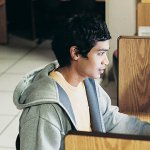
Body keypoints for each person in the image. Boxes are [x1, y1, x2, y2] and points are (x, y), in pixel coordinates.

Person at [13, 14, 150, 150]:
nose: (106, 61)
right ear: (75, 53)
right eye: (100, 53)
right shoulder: (43, 112)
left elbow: (109, 119)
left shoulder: (87, 82)